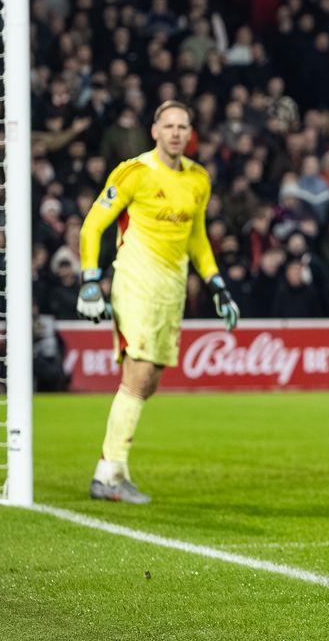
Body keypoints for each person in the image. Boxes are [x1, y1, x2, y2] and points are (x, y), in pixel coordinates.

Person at [77, 100, 240, 503]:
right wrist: (89, 279)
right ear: (154, 130)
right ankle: (109, 475)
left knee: (147, 382)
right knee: (139, 370)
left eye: (183, 126)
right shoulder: (134, 171)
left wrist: (217, 284)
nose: (175, 133)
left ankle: (111, 467)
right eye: (168, 125)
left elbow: (198, 238)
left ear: (190, 133)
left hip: (172, 288)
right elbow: (93, 224)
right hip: (135, 279)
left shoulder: (199, 179)